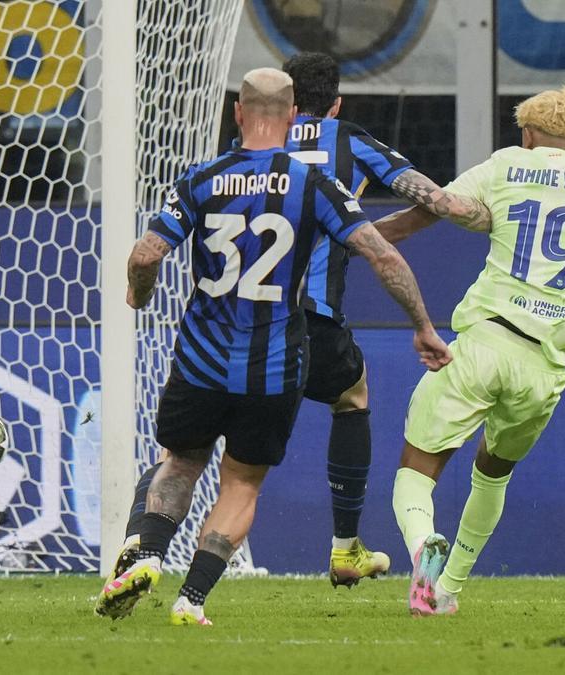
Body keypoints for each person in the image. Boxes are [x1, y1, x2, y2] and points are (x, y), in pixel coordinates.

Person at [95, 68, 483, 626]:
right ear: (297, 108)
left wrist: (138, 293)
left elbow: (144, 255)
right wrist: (423, 325)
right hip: (277, 361)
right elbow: (389, 250)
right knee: (248, 478)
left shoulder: (205, 176)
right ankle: (197, 598)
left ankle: (147, 553)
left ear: (237, 113)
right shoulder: (313, 181)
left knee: (179, 463)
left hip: (203, 356)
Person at [377, 86, 565, 616]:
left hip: (485, 341)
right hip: (544, 366)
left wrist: (362, 236)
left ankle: (422, 544)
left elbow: (431, 209)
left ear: (526, 135)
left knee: (417, 467)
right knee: (493, 471)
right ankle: (446, 590)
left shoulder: (508, 164)